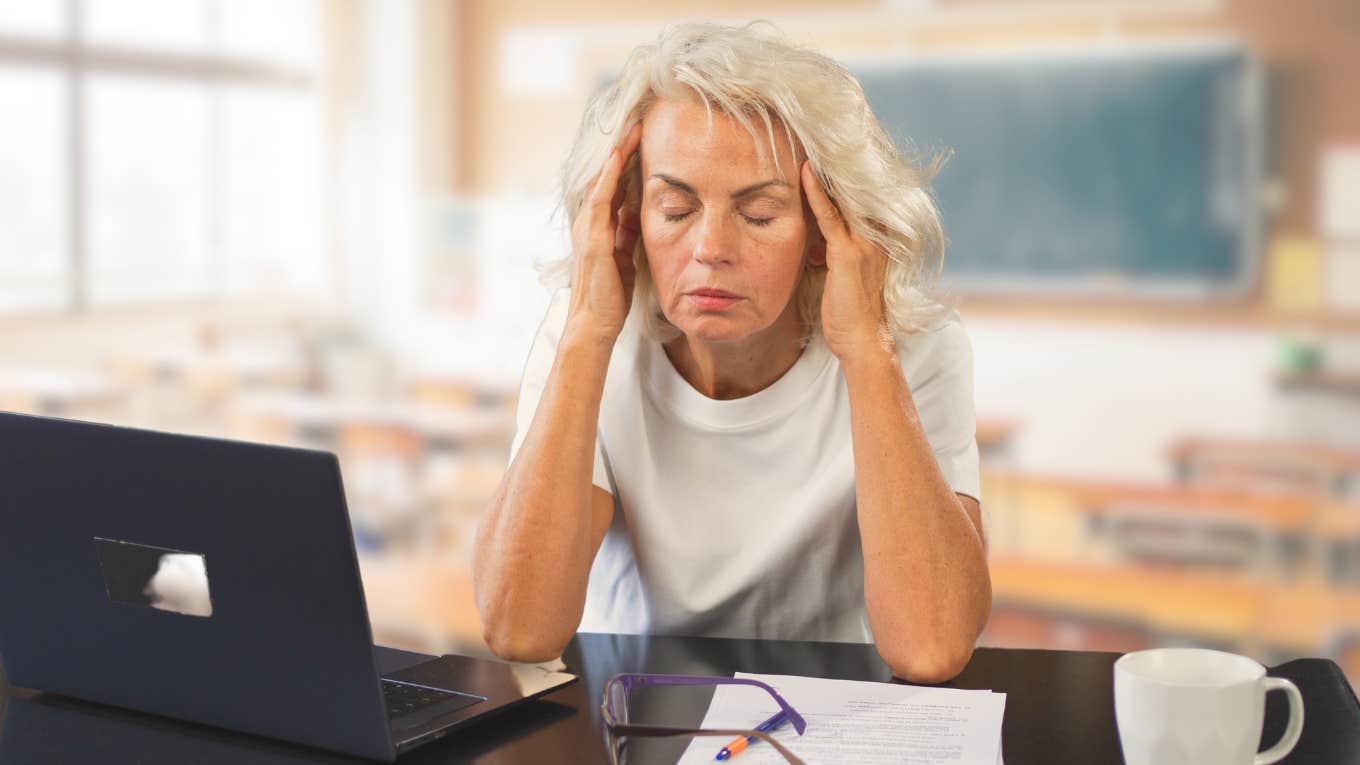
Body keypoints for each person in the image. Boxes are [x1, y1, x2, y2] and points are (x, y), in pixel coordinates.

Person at [472, 21, 990, 683]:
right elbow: (519, 627)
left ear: (823, 230)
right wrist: (585, 337)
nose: (711, 247)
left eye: (760, 214)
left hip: (838, 719)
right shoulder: (584, 336)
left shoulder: (916, 349)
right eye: (676, 207)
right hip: (638, 713)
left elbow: (931, 646)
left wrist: (866, 351)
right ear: (626, 216)